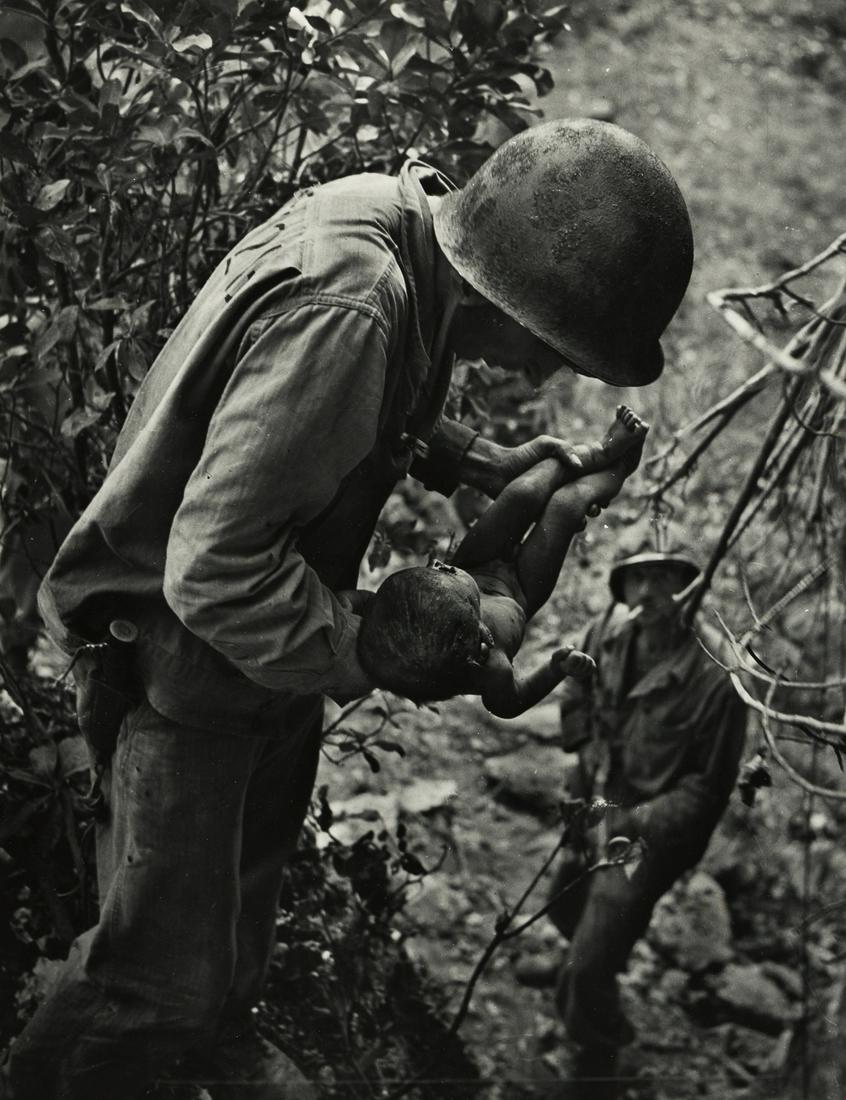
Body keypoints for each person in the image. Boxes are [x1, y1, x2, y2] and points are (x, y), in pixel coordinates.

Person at [3, 118, 694, 1100]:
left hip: (262, 653)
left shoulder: (399, 232)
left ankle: (214, 1043)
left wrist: (477, 459)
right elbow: (215, 571)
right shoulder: (357, 303)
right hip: (182, 655)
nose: (547, 376)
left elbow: (344, 400)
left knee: (244, 897)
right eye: (558, 350)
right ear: (513, 294)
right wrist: (375, 648)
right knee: (151, 980)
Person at [514, 519, 747, 1100]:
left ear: (687, 587)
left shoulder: (717, 678)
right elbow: (577, 689)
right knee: (564, 897)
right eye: (637, 578)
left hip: (652, 834)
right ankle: (578, 967)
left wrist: (632, 823)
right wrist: (578, 752)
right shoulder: (609, 632)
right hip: (599, 795)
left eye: (663, 578)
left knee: (594, 959)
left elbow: (706, 792)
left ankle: (595, 1052)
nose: (647, 594)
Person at [356, 406, 648, 716]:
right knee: (566, 505)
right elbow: (511, 704)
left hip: (478, 561)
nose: (441, 564)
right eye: (447, 572)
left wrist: (350, 602)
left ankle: (600, 451)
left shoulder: (399, 626)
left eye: (435, 569)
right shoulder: (492, 667)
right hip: (521, 588)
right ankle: (621, 467)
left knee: (522, 492)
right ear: (482, 634)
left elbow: (365, 603)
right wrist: (555, 669)